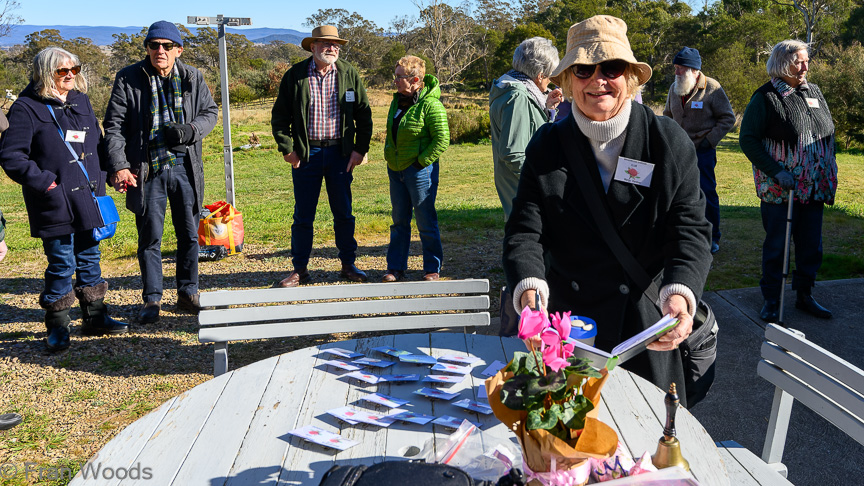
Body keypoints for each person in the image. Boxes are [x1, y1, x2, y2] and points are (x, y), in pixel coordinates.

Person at [502, 15, 712, 407]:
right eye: (583, 69)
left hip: (643, 330)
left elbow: (690, 229)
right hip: (569, 329)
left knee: (647, 446)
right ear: (567, 80)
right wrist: (529, 286)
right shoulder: (547, 145)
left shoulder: (668, 142)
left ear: (630, 77)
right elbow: (524, 230)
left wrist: (681, 294)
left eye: (611, 68)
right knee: (562, 437)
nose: (598, 79)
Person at [0, 47, 128, 352]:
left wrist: (109, 173)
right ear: (46, 72)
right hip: (54, 201)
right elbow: (11, 156)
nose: (70, 75)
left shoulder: (80, 101)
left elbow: (95, 142)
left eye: (74, 69)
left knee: (89, 256)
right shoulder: (26, 108)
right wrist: (47, 183)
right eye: (62, 71)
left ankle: (96, 317)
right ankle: (57, 327)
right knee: (61, 262)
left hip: (89, 194)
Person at [103, 21, 218, 324]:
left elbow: (211, 113)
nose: (160, 51)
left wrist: (191, 130)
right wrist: (119, 165)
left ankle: (187, 292)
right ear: (148, 49)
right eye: (154, 45)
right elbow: (113, 127)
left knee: (189, 235)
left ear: (179, 50)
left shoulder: (193, 76)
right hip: (147, 168)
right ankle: (152, 299)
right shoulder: (128, 78)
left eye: (167, 46)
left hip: (185, 167)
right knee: (150, 237)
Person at [740, 40, 836, 322]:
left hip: (813, 187)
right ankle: (772, 300)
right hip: (781, 189)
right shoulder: (766, 97)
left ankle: (805, 295)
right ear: (783, 63)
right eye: (799, 61)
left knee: (811, 246)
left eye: (807, 61)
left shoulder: (813, 91)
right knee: (777, 247)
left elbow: (826, 131)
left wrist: (829, 168)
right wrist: (776, 171)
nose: (805, 66)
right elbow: (748, 140)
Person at [271, 25, 374, 288]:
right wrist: (288, 151)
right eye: (326, 44)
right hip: (308, 154)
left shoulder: (348, 73)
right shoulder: (295, 75)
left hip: (341, 154)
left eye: (336, 44)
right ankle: (300, 270)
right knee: (303, 215)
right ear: (313, 47)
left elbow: (364, 115)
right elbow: (280, 117)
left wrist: (359, 150)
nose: (332, 48)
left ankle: (348, 264)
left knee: (344, 213)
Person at [381, 56, 449, 283]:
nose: (396, 81)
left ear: (416, 80)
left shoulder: (431, 104)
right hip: (396, 170)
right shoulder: (396, 101)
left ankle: (432, 268)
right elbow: (392, 131)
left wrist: (420, 163)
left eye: (400, 77)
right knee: (399, 220)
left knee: (425, 221)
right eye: (396, 76)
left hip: (419, 172)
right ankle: (396, 268)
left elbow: (442, 139)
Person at [663, 47, 735, 254]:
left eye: (681, 69)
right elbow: (668, 115)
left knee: (706, 192)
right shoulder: (673, 88)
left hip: (702, 152)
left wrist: (709, 141)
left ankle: (713, 238)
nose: (676, 73)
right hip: (677, 151)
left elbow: (728, 118)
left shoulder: (712, 87)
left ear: (695, 70)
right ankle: (681, 235)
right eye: (675, 68)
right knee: (676, 194)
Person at [490, 37, 563, 220]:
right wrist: (542, 181)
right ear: (539, 75)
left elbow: (528, 129)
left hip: (517, 184)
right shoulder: (517, 97)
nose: (550, 82)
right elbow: (513, 153)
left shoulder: (512, 88)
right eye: (550, 76)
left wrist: (547, 109)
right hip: (522, 187)